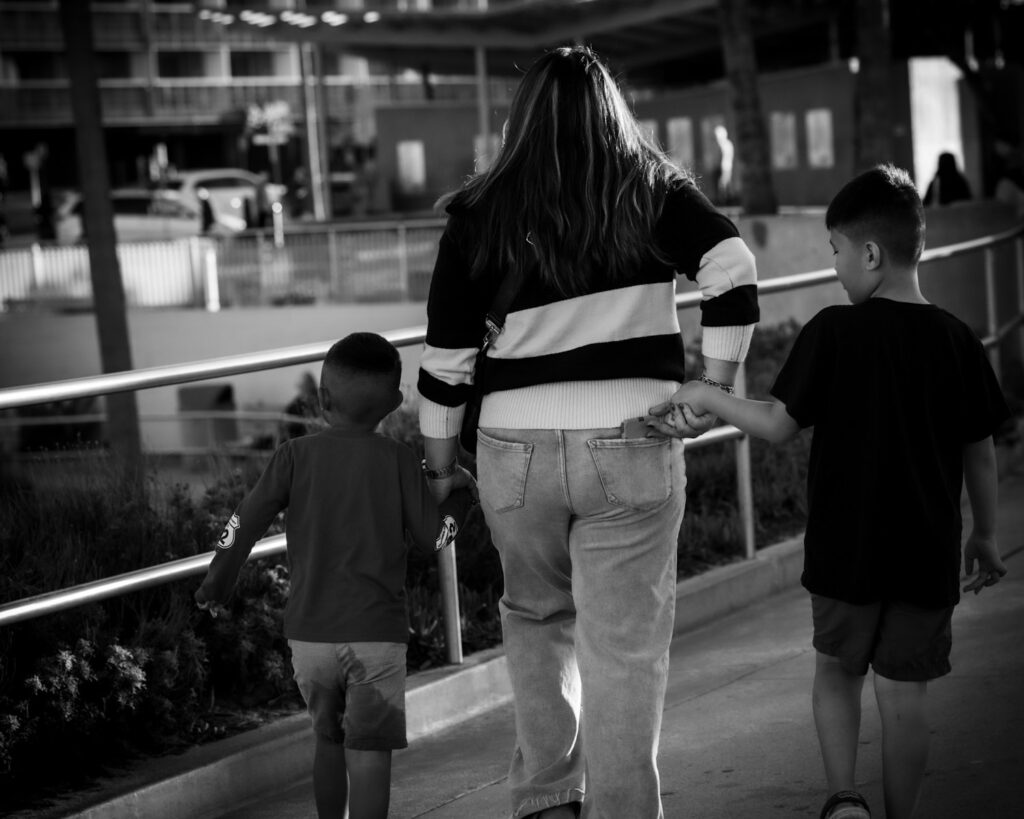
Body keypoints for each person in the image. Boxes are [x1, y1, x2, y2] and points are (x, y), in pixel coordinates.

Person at [417, 46, 759, 819]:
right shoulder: (651, 191)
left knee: (537, 623)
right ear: (614, 111)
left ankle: (546, 802)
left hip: (512, 451)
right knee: (624, 646)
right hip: (633, 439)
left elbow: (445, 362)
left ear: (521, 116)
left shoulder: (478, 213)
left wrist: (441, 465)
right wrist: (711, 389)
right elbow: (733, 270)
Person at [657, 165, 1011, 819]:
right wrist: (984, 535)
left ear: (869, 253)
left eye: (836, 252)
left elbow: (775, 424)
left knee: (836, 671)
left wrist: (706, 392)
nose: (837, 268)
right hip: (925, 554)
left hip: (845, 550)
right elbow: (980, 452)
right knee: (907, 699)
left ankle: (844, 797)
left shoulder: (833, 332)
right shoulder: (959, 340)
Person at [195, 332, 476, 819]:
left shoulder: (293, 457)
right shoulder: (397, 461)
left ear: (322, 399)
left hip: (311, 638)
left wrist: (219, 576)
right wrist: (461, 498)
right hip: (376, 641)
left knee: (328, 740)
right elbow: (434, 538)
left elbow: (245, 519)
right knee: (368, 753)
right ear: (394, 401)